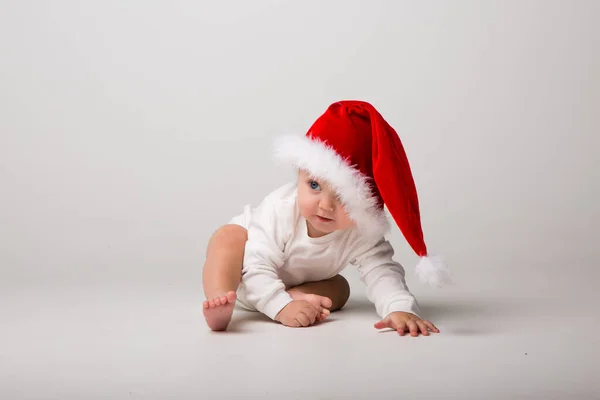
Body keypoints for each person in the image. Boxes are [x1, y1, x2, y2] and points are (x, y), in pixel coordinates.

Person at [201, 100, 451, 336]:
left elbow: (382, 271)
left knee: (340, 289)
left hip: (291, 285)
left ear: (365, 204)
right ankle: (221, 303)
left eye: (343, 197)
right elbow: (256, 266)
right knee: (227, 238)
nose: (325, 206)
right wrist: (280, 307)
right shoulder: (281, 209)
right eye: (313, 185)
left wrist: (399, 308)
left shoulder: (360, 231)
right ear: (299, 172)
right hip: (245, 275)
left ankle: (297, 296)